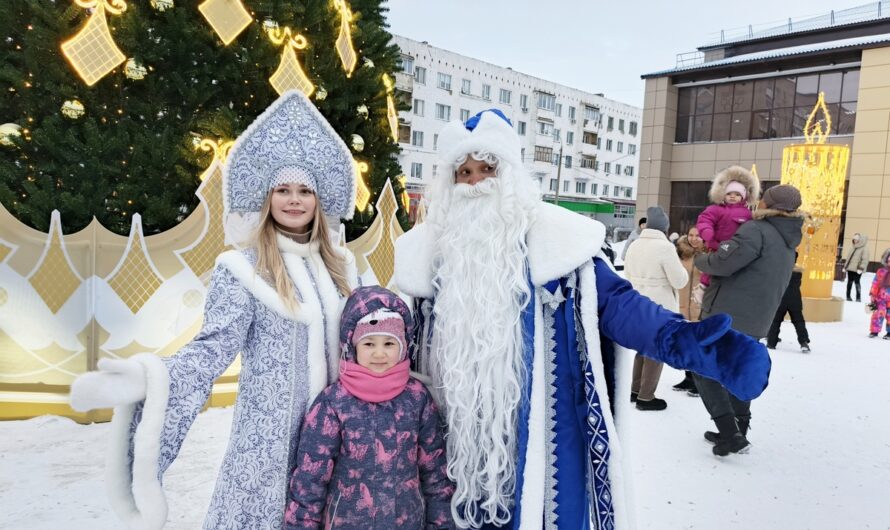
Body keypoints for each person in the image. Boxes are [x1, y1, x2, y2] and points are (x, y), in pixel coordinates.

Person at [394, 109, 771, 529]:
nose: (476, 183)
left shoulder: (560, 250)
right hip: (451, 449)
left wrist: (693, 345)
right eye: (463, 173)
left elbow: (621, 307)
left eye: (487, 169)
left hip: (542, 443)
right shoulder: (429, 264)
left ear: (512, 178)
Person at [68, 91, 359, 529]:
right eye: (283, 190)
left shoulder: (342, 268)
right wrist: (149, 377)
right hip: (270, 439)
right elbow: (211, 349)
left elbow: (375, 336)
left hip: (337, 435)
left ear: (319, 201)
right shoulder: (242, 269)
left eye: (305, 191)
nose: (294, 200)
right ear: (266, 197)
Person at [284, 286, 454, 529]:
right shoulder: (334, 403)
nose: (379, 353)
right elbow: (310, 480)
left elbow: (436, 474)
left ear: (403, 345)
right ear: (352, 346)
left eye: (388, 343)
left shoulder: (417, 399)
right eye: (369, 344)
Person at [694, 184, 804, 457]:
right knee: (737, 370)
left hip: (729, 316)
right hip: (757, 318)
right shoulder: (789, 239)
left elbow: (722, 262)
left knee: (701, 365)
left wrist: (699, 258)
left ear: (768, 205)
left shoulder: (757, 230)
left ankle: (729, 433)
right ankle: (739, 429)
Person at [624, 205, 688, 411]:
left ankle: (635, 391)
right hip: (659, 306)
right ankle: (646, 397)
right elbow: (679, 281)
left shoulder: (634, 245)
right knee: (656, 350)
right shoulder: (665, 247)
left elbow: (627, 274)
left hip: (637, 304)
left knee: (642, 348)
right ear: (664, 228)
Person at [695, 165, 761, 289]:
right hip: (717, 247)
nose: (732, 196)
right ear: (723, 194)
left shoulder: (747, 214)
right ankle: (703, 287)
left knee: (734, 272)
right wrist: (706, 230)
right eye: (729, 193)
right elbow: (705, 219)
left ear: (744, 196)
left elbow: (753, 229)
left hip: (737, 249)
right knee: (711, 269)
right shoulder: (716, 209)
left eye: (737, 194)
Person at [672, 226, 706, 396]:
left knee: (699, 346)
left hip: (700, 307)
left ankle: (699, 382)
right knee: (685, 345)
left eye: (698, 235)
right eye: (691, 235)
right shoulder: (680, 254)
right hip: (682, 306)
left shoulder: (708, 254)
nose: (693, 238)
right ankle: (688, 377)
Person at [766, 258, 811, 352]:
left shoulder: (780, 270)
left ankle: (771, 342)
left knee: (775, 321)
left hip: (781, 299)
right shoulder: (798, 273)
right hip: (795, 300)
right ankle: (804, 342)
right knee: (799, 322)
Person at [868, 254, 890, 338]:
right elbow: (875, 283)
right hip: (880, 298)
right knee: (877, 314)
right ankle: (874, 331)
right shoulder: (881, 271)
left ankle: (889, 333)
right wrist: (873, 294)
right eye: (888, 261)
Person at [846, 233, 870, 302]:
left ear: (860, 240)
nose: (855, 241)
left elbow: (865, 259)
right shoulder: (853, 247)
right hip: (850, 268)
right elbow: (848, 258)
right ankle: (848, 296)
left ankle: (858, 297)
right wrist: (845, 266)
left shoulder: (864, 248)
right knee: (849, 282)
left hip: (858, 269)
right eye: (854, 239)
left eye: (856, 239)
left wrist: (861, 268)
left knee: (857, 282)